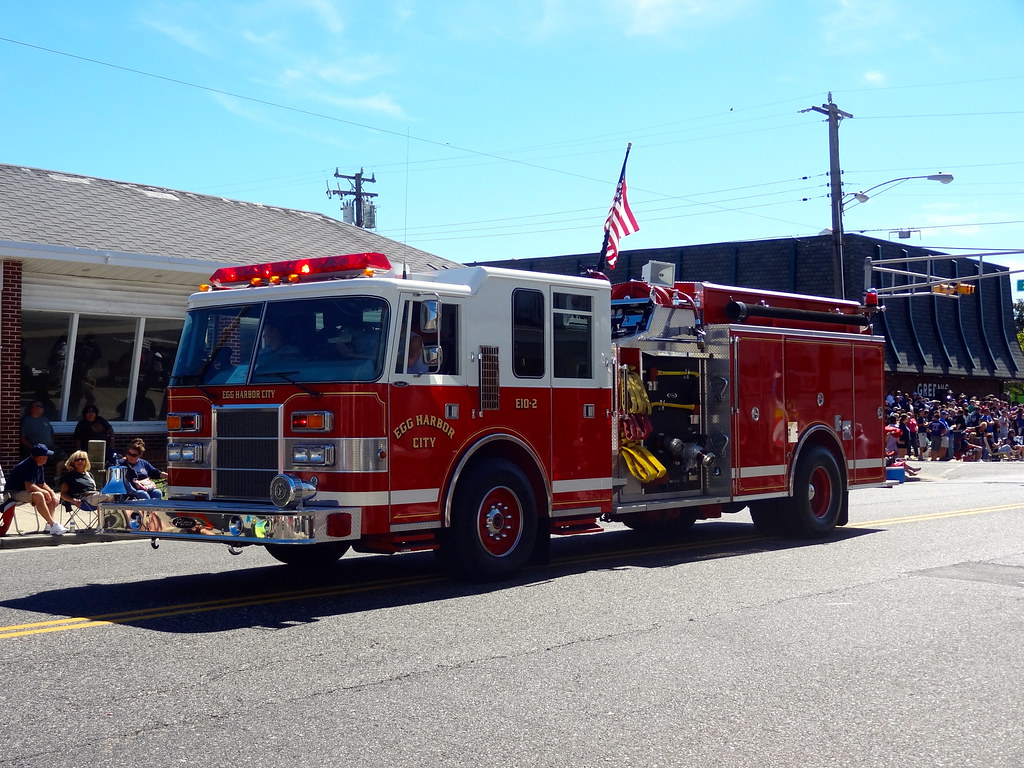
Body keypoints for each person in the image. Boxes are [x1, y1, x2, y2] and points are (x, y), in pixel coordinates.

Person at [7, 444, 66, 535]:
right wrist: (44, 492)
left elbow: (42, 484)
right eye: (46, 455)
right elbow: (29, 486)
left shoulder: (39, 464)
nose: (47, 457)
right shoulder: (28, 465)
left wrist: (51, 492)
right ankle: (53, 524)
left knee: (50, 496)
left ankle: (49, 526)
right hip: (13, 493)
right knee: (39, 495)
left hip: (24, 492)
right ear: (40, 457)